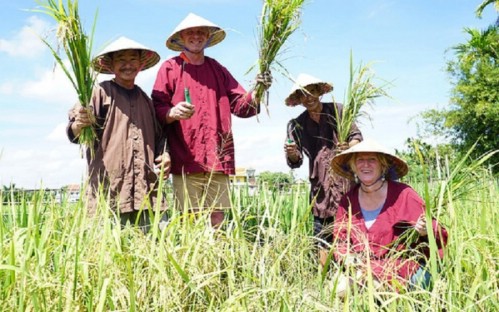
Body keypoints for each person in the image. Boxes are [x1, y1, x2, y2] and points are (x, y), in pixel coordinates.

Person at [152, 13, 272, 228]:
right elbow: (156, 107)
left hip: (218, 155)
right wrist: (172, 112)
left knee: (217, 216)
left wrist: (259, 90)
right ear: (180, 37)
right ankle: (193, 261)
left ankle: (217, 258)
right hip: (185, 155)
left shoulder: (217, 69)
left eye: (200, 32)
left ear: (207, 37)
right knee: (191, 218)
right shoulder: (170, 68)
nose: (195, 36)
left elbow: (242, 105)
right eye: (190, 32)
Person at [67, 36, 171, 232]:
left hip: (146, 192)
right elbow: (75, 129)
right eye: (121, 59)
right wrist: (79, 123)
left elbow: (160, 138)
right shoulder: (99, 93)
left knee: (155, 247)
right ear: (111, 64)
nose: (127, 65)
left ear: (141, 64)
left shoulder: (146, 100)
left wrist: (164, 154)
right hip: (110, 191)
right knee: (108, 253)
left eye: (133, 59)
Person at [329, 138, 448, 294]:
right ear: (353, 166)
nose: (366, 165)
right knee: (337, 289)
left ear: (383, 165)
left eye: (372, 160)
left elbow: (438, 232)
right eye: (360, 160)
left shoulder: (404, 194)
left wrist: (425, 231)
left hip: (399, 267)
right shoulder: (348, 200)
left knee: (379, 289)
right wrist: (348, 258)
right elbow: (341, 239)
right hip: (362, 268)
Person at [283, 73, 362, 265]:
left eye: (312, 91)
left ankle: (353, 277)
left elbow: (357, 138)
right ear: (299, 100)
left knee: (352, 233)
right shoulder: (297, 124)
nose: (308, 97)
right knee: (322, 237)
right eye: (303, 94)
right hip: (320, 187)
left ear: (319, 92)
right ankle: (324, 279)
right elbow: (295, 160)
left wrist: (348, 147)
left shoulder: (339, 111)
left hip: (346, 182)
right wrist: (292, 152)